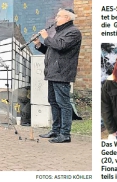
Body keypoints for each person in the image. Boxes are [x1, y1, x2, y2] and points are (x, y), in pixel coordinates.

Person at [33, 8, 82, 143]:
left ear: (67, 18)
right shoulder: (60, 32)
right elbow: (52, 51)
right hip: (53, 73)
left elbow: (60, 46)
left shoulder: (73, 32)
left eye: (59, 16)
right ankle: (55, 130)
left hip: (62, 73)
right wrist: (39, 45)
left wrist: (46, 37)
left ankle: (65, 134)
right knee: (53, 102)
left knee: (63, 103)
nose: (56, 18)